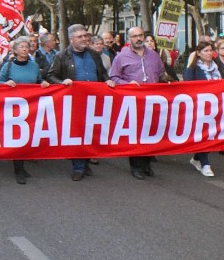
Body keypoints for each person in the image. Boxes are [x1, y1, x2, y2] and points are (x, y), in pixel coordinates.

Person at [46, 23, 115, 181]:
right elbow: (51, 76)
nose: (84, 39)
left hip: (94, 100)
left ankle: (85, 162)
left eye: (86, 36)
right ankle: (78, 167)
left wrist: (108, 81)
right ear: (71, 40)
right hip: (74, 102)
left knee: (90, 132)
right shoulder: (62, 56)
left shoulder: (94, 54)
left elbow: (103, 73)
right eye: (80, 37)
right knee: (77, 134)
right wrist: (63, 82)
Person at [109, 26, 167, 179]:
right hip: (133, 102)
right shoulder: (121, 57)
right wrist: (127, 84)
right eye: (135, 36)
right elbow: (114, 77)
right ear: (129, 39)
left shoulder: (154, 55)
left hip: (152, 102)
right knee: (136, 135)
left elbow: (162, 74)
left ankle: (147, 164)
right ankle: (136, 167)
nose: (138, 39)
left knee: (151, 134)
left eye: (140, 35)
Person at [0, 38, 49, 184]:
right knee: (17, 136)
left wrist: (42, 83)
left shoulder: (34, 66)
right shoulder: (9, 66)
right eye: (22, 46)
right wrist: (5, 83)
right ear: (15, 50)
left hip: (31, 107)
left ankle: (22, 165)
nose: (25, 49)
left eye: (27, 46)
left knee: (28, 136)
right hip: (13, 107)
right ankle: (18, 169)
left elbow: (38, 81)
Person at [182, 41, 221, 177]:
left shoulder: (218, 68)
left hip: (217, 107)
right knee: (205, 135)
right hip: (200, 109)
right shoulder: (192, 69)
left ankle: (197, 158)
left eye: (211, 50)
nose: (209, 53)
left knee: (213, 135)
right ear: (198, 53)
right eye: (206, 51)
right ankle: (205, 164)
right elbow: (187, 88)